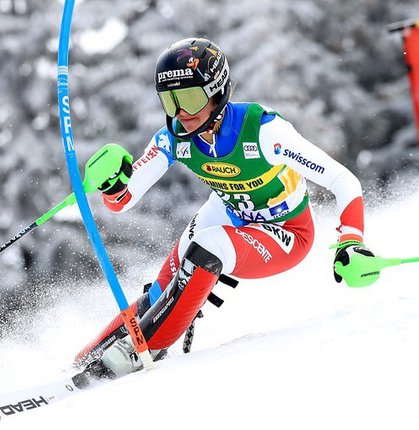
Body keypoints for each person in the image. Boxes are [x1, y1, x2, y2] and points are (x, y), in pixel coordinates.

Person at [75, 37, 377, 378]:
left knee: (207, 247)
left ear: (217, 92)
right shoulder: (174, 136)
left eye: (189, 98)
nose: (181, 114)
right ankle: (83, 361)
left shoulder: (264, 131)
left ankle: (143, 350)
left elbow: (344, 181)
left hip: (284, 232)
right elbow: (123, 200)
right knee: (159, 294)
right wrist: (112, 182)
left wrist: (351, 240)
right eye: (170, 101)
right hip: (228, 211)